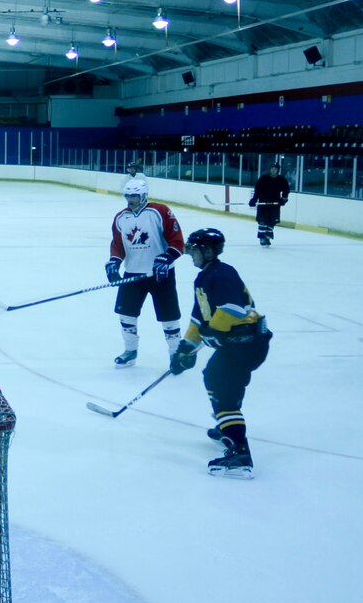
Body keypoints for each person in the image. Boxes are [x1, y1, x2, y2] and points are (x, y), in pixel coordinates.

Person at [168, 227, 271, 479]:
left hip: (247, 343)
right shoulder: (204, 277)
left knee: (224, 390)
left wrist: (214, 331)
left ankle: (240, 453)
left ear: (208, 250)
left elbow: (233, 308)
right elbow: (199, 318)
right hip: (238, 343)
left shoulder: (222, 274)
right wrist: (186, 348)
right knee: (213, 375)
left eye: (194, 249)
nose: (190, 254)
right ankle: (227, 425)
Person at [105, 175, 186, 368]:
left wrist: (166, 258)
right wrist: (114, 263)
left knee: (169, 316)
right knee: (126, 315)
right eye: (127, 196)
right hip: (132, 274)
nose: (130, 200)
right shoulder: (120, 218)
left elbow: (177, 241)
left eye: (134, 196)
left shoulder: (160, 211)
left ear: (143, 195)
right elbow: (118, 245)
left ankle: (176, 354)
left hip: (161, 274)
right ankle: (130, 351)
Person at [250, 163, 292, 247]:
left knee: (271, 221)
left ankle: (267, 237)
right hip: (263, 203)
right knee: (262, 221)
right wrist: (254, 200)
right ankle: (262, 237)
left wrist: (283, 199)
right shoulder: (263, 178)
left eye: (275, 168)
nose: (273, 170)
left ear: (278, 170)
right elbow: (257, 190)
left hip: (275, 204)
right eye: (272, 168)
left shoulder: (282, 179)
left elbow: (286, 190)